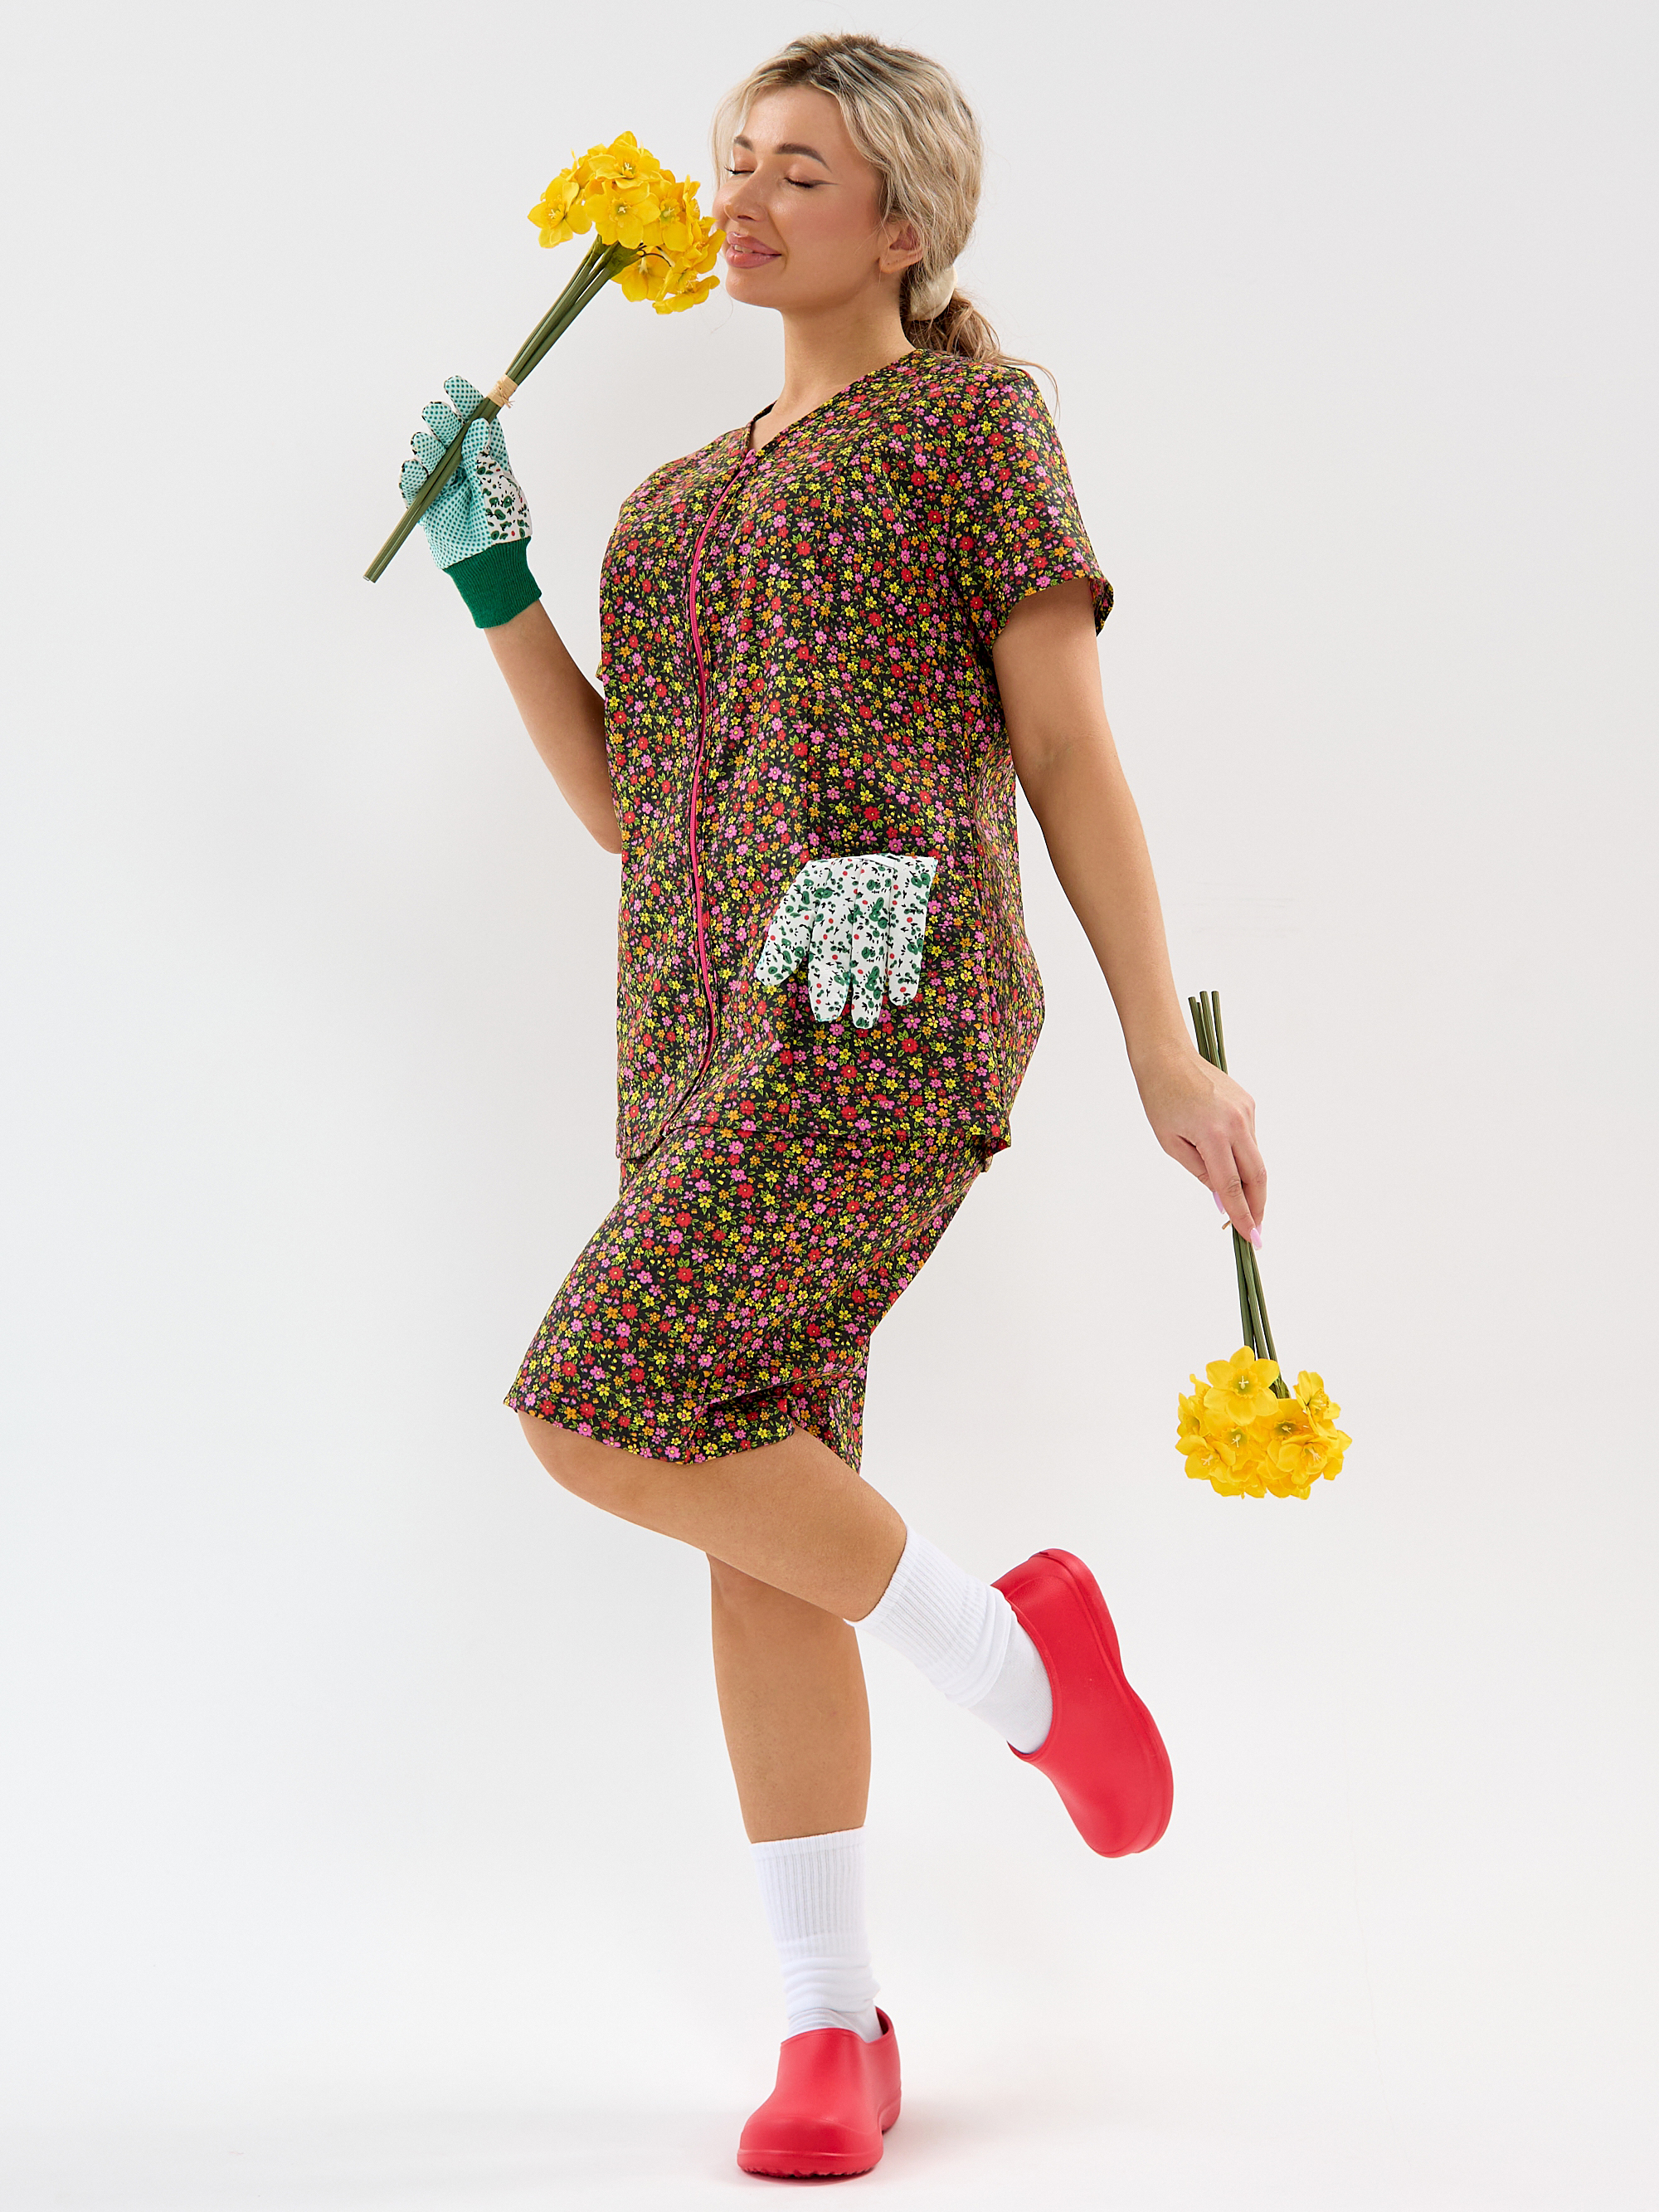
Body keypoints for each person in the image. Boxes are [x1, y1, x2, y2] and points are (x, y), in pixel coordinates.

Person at [394, 31, 1265, 2182]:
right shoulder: (672, 507)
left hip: (881, 993)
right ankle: (826, 2022)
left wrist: (1161, 1045)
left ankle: (1027, 1668)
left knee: (593, 1403)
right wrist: (499, 581)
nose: (743, 196)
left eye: (799, 169)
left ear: (903, 221)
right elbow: (637, 806)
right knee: (742, 1497)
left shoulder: (974, 425)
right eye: (733, 161)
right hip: (695, 1031)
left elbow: (1066, 748)